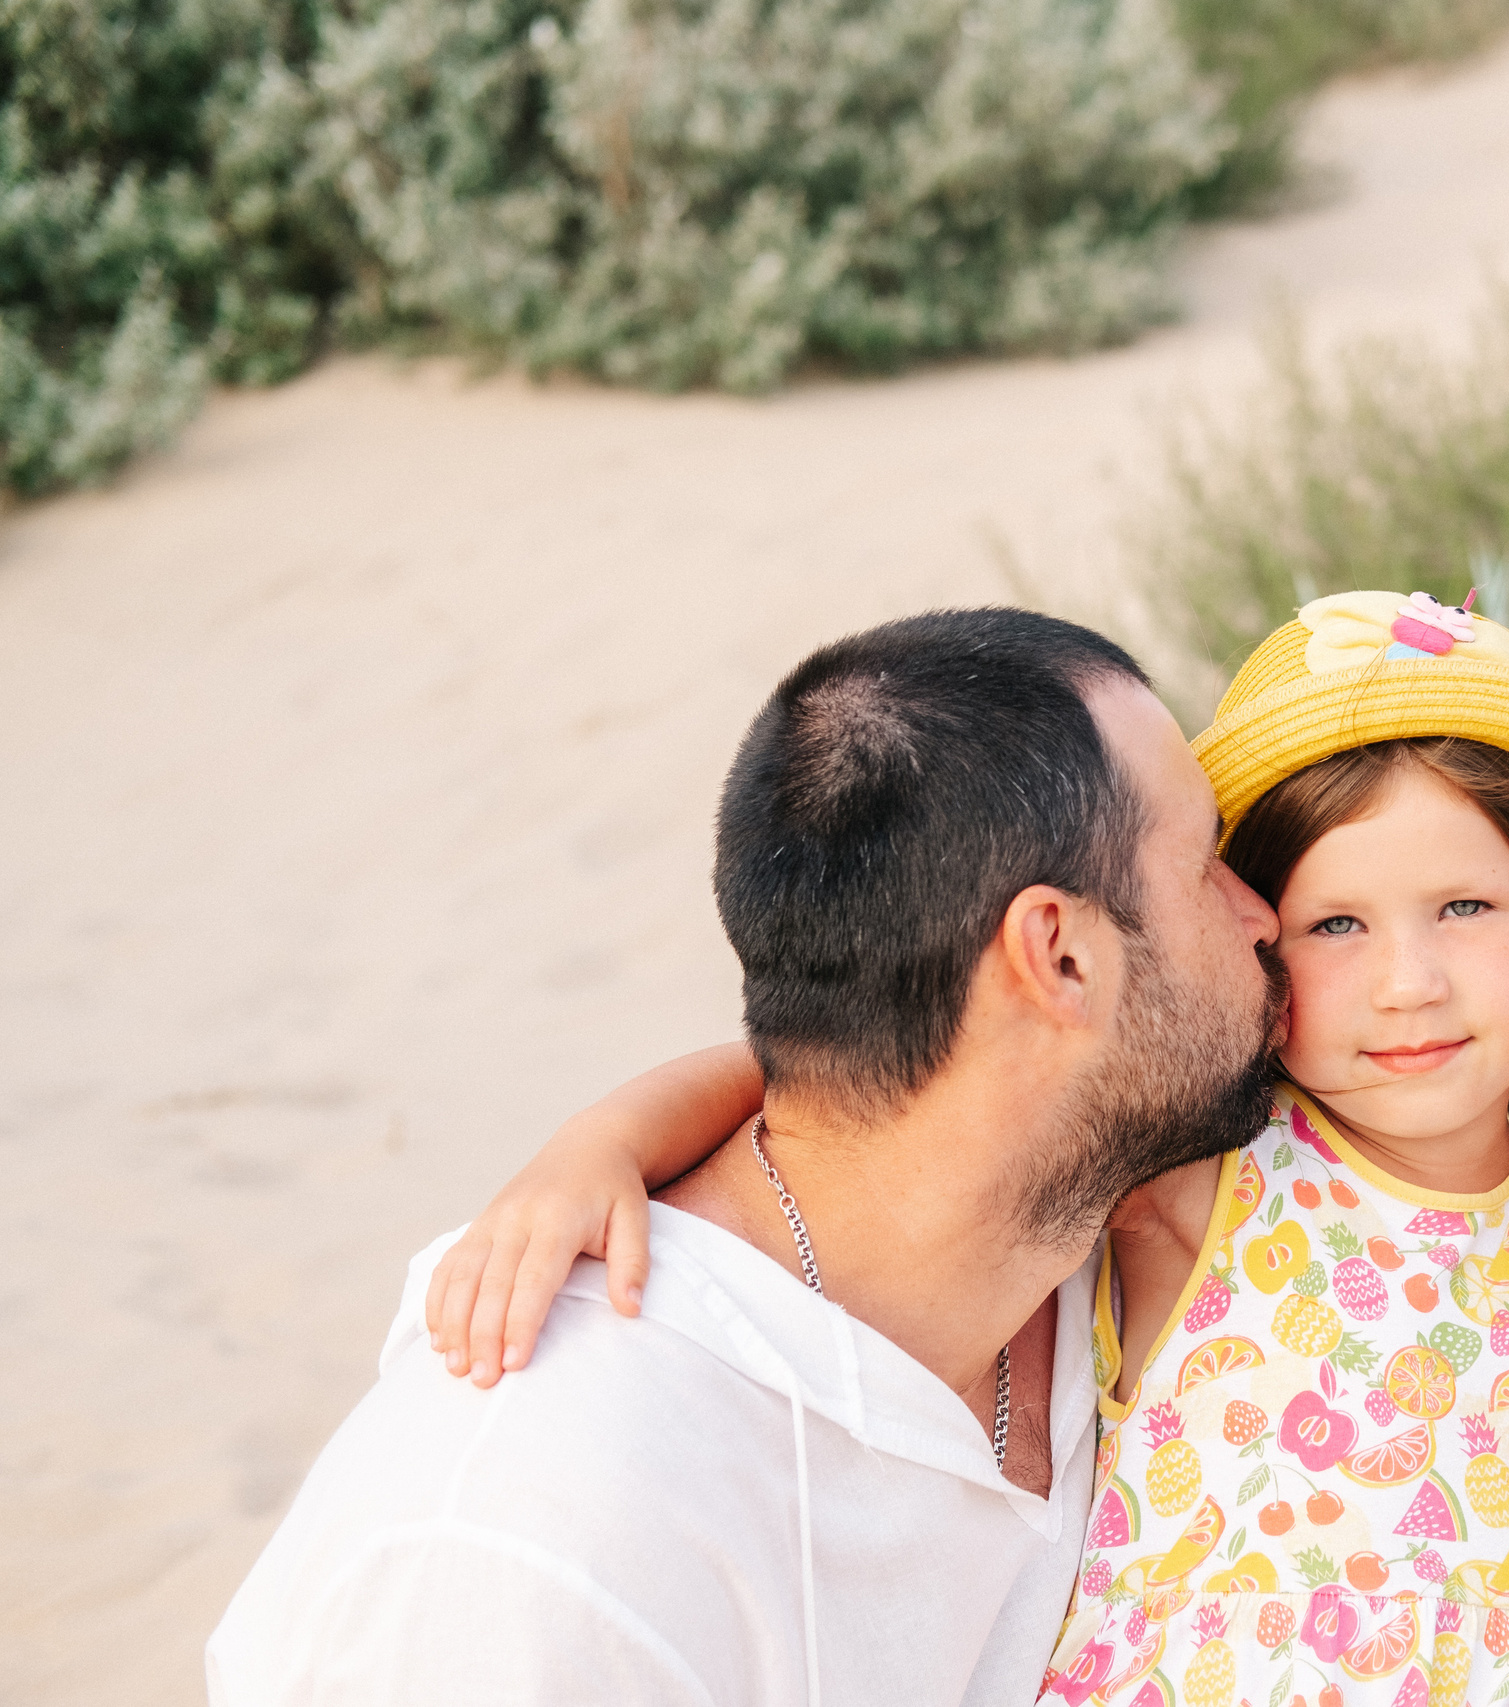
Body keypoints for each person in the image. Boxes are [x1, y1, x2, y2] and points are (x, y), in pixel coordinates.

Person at [425, 594, 1509, 1707]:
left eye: (1462, 907)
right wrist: (608, 1136)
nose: (1407, 982)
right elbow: (901, 1074)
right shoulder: (1201, 1183)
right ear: (1254, 942)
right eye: (1337, 925)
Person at [207, 609, 1287, 1705]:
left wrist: (620, 1126)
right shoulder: (540, 1555)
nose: (1262, 917)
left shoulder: (1107, 1208)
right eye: (1203, 863)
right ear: (1059, 956)